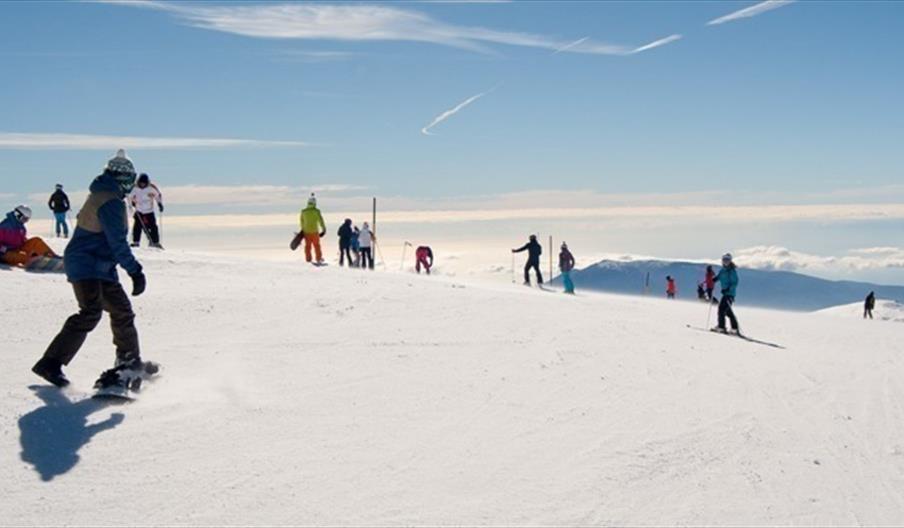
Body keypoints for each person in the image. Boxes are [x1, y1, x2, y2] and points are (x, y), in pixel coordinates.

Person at [32, 150, 150, 389]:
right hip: (87, 265)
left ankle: (128, 361)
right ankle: (50, 363)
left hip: (99, 266)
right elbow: (117, 242)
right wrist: (135, 271)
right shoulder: (110, 202)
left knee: (121, 311)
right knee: (90, 312)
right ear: (122, 179)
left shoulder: (103, 194)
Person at [128, 173, 164, 248]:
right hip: (139, 210)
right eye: (141, 183)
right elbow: (129, 197)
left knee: (153, 227)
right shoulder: (134, 188)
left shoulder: (152, 188)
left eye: (144, 183)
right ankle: (136, 242)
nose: (142, 185)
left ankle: (155, 242)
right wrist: (132, 204)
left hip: (149, 211)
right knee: (137, 226)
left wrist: (159, 204)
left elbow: (158, 195)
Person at [712, 253, 740, 334]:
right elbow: (719, 277)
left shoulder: (731, 271)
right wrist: (715, 279)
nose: (725, 261)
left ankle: (721, 327)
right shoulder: (723, 270)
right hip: (725, 293)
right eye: (724, 259)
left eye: (727, 260)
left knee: (721, 309)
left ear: (730, 261)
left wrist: (728, 289)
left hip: (729, 294)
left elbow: (735, 282)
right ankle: (734, 328)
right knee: (727, 311)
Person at [299, 194, 326, 264]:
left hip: (306, 232)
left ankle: (308, 259)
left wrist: (303, 229)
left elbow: (301, 221)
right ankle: (318, 258)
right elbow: (321, 220)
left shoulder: (303, 211)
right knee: (317, 245)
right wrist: (323, 229)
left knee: (308, 246)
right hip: (315, 231)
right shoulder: (316, 211)